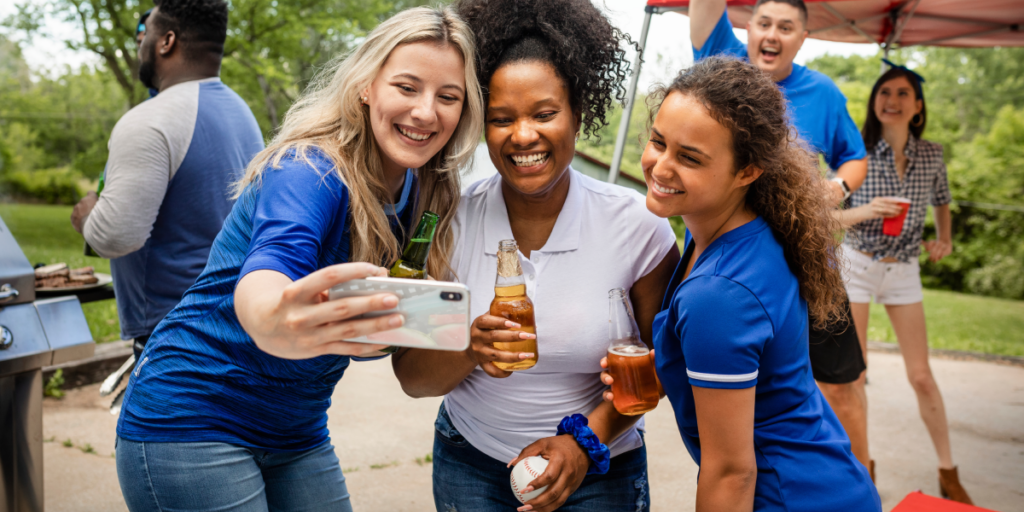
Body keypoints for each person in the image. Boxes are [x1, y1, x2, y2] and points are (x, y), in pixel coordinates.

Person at [113, 6, 484, 511]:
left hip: (296, 429)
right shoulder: (311, 169)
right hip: (191, 419)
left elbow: (386, 353)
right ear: (365, 87)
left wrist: (463, 337)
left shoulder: (425, 194)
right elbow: (270, 270)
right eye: (407, 87)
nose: (426, 111)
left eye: (448, 97)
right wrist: (274, 317)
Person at [391, 1, 679, 510]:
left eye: (544, 113)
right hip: (471, 465)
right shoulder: (446, 220)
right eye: (502, 119)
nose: (523, 135)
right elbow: (412, 378)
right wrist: (469, 348)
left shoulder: (639, 226)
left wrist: (584, 444)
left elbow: (661, 367)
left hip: (601, 471)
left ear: (578, 112)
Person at [620, 56, 880, 512]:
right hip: (831, 481)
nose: (660, 167)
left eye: (689, 158)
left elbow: (731, 473)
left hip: (790, 498)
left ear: (748, 171)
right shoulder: (736, 225)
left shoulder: (719, 294)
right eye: (658, 142)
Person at [688, 0, 873, 471]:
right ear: (746, 28)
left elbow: (855, 157)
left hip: (806, 265)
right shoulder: (721, 67)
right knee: (741, 394)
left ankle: (860, 476)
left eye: (786, 27)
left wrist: (834, 189)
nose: (772, 34)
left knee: (841, 386)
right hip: (730, 265)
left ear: (802, 37)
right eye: (763, 23)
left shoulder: (823, 93)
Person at [71, 0, 263, 361]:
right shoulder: (241, 113)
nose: (140, 44)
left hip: (175, 336)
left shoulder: (151, 119)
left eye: (145, 35)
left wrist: (86, 218)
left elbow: (116, 235)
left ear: (166, 41)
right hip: (237, 322)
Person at [836, 63, 972, 504]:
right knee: (855, 377)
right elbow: (827, 216)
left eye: (901, 93)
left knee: (922, 377)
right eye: (884, 92)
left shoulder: (931, 153)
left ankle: (948, 473)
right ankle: (863, 470)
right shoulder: (855, 154)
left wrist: (944, 239)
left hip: (904, 267)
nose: (891, 100)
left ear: (917, 107)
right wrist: (867, 209)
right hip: (857, 262)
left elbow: (943, 200)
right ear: (875, 102)